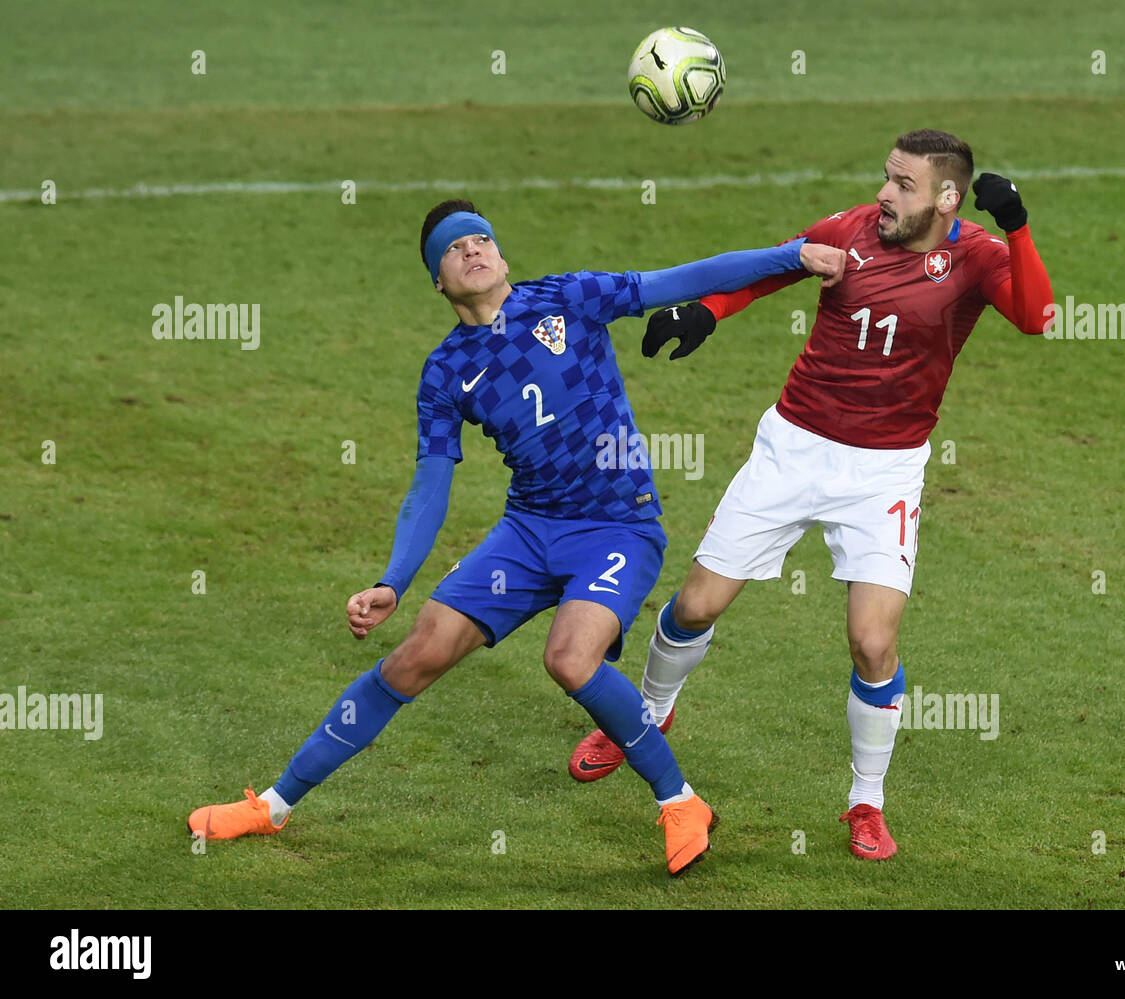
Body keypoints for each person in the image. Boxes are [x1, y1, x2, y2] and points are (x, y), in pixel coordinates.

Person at [187, 199, 846, 876]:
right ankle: (272, 805)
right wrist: (393, 580)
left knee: (570, 657)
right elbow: (431, 484)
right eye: (454, 248)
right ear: (438, 281)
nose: (473, 250)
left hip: (618, 526)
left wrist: (792, 255)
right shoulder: (446, 371)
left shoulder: (570, 298)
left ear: (502, 257)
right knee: (414, 656)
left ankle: (680, 801)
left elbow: (678, 278)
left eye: (482, 240)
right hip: (528, 534)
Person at [567, 130, 1055, 861]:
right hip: (792, 448)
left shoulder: (978, 256)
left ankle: (866, 801)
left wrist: (1018, 228)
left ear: (948, 199)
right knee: (697, 603)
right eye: (886, 178)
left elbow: (1037, 316)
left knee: (873, 641)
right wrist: (706, 313)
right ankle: (644, 716)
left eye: (904, 185)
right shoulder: (853, 228)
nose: (886, 195)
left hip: (885, 471)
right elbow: (776, 266)